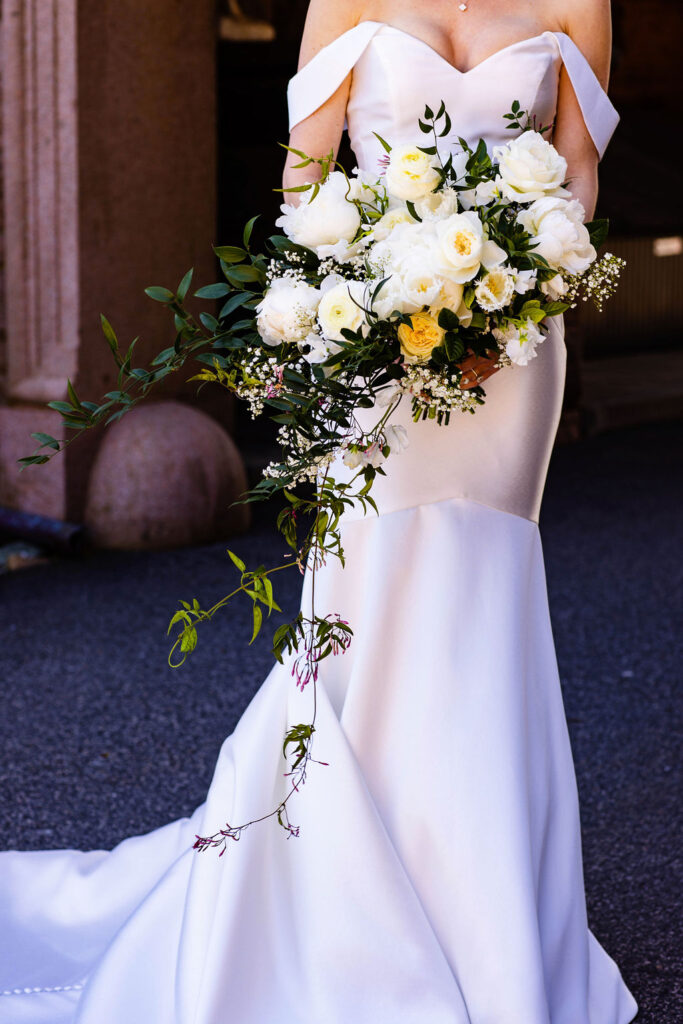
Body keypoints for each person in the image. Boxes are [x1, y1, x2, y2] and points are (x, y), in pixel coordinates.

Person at [0, 1, 638, 1021]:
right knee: (371, 589)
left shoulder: (578, 4)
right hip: (375, 338)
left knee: (480, 588)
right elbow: (308, 170)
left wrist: (524, 290)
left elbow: (576, 169)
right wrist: (340, 306)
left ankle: (484, 904)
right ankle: (342, 891)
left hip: (509, 354)